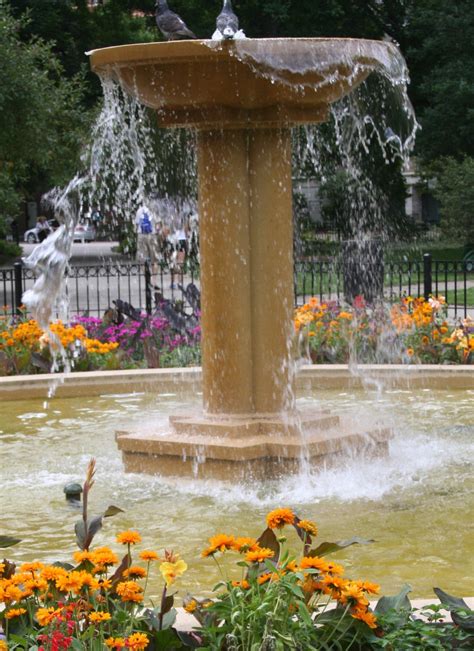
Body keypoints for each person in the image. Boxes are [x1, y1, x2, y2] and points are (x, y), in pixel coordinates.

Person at [135, 203, 160, 281]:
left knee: (143, 259)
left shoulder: (139, 210)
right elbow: (158, 225)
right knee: (155, 260)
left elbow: (136, 225)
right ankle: (154, 281)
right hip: (152, 235)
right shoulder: (154, 210)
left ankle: (147, 280)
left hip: (141, 235)